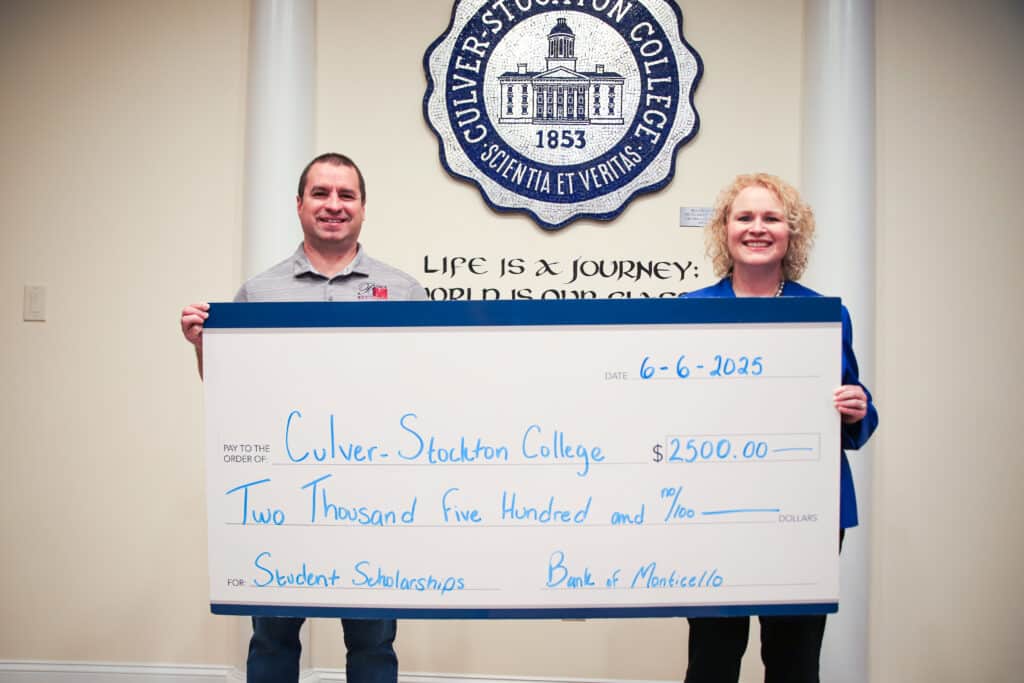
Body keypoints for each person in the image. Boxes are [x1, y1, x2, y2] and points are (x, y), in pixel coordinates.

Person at [181, 152, 426, 683]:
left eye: (346, 195)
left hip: (373, 497)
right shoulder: (259, 292)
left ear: (363, 208)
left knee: (374, 642)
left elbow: (424, 393)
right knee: (272, 638)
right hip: (279, 496)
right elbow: (231, 393)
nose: (333, 205)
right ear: (299, 204)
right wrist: (204, 346)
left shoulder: (404, 291)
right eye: (321, 194)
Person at [681, 173, 878, 683]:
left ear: (793, 232)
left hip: (803, 510)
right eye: (744, 217)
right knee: (712, 659)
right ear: (724, 230)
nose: (757, 228)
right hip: (710, 508)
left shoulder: (823, 313)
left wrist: (858, 407)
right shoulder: (688, 312)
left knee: (793, 660)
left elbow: (854, 403)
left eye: (771, 218)